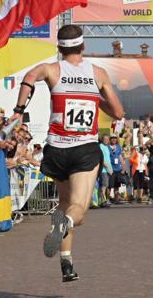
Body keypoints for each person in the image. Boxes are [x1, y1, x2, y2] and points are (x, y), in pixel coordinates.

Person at [11, 24, 123, 282]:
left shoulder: (52, 70)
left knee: (63, 206)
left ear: (59, 48)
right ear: (82, 47)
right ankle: (66, 226)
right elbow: (118, 112)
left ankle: (66, 263)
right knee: (79, 209)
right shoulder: (98, 74)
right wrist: (96, 97)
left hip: (56, 149)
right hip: (83, 149)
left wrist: (19, 110)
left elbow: (29, 76)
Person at [108, 134, 124, 203]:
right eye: (112, 138)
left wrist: (123, 168)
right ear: (110, 139)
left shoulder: (118, 147)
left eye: (115, 138)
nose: (114, 139)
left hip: (118, 169)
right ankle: (107, 199)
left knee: (117, 185)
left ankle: (116, 199)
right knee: (109, 186)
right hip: (111, 169)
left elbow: (120, 157)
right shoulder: (107, 147)